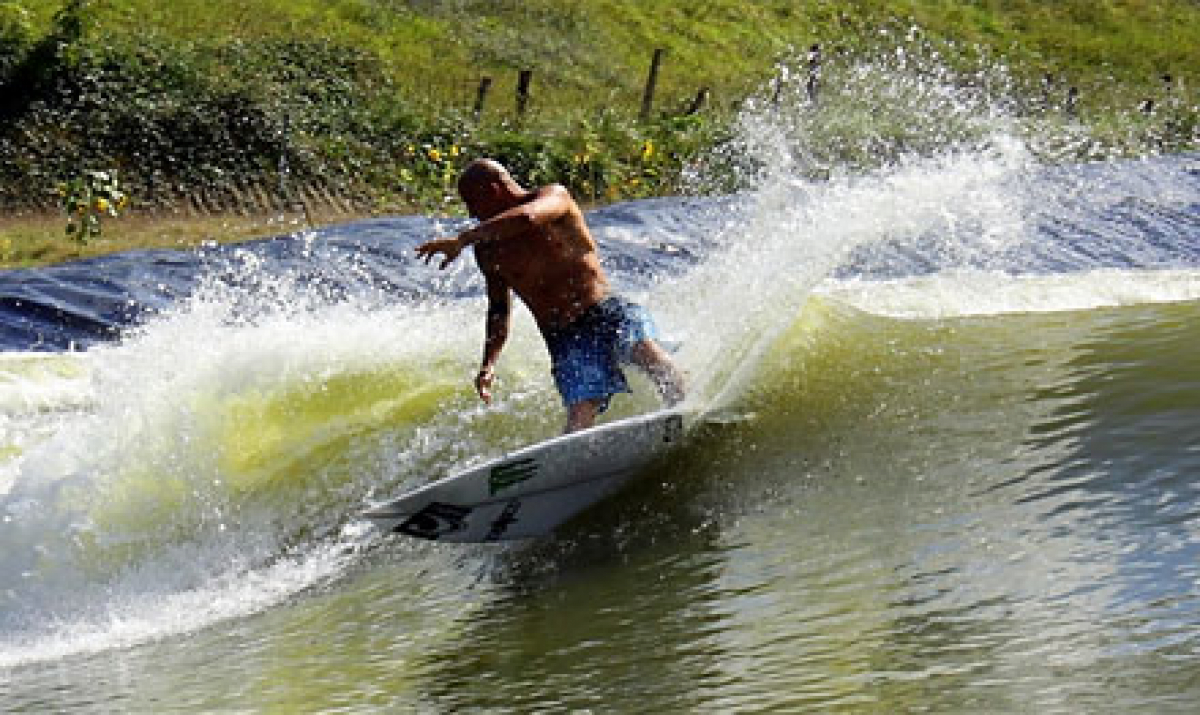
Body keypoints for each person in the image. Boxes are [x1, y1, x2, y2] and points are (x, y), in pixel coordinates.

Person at [415, 159, 685, 433]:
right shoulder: (488, 249)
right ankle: (578, 468)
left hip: (603, 309)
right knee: (580, 411)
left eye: (472, 202)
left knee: (647, 354)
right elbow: (499, 309)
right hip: (563, 336)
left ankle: (684, 410)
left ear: (494, 190)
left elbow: (526, 218)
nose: (471, 212)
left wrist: (461, 240)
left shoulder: (555, 197)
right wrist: (488, 364)